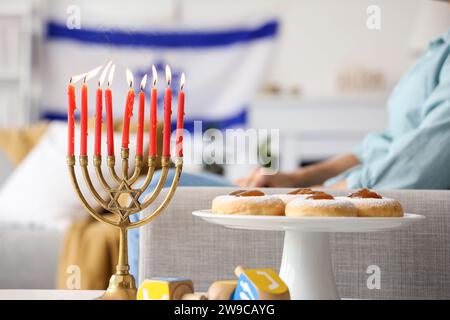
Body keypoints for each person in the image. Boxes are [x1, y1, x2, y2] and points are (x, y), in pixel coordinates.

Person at [236, 27, 450, 190]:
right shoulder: (437, 50)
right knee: (211, 184)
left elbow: (416, 168)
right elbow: (379, 147)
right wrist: (295, 179)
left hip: (382, 220)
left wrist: (308, 196)